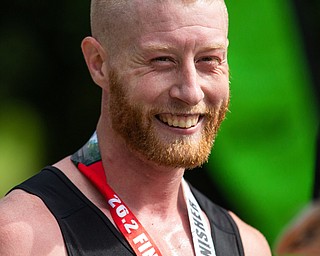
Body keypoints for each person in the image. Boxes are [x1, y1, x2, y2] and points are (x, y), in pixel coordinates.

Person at [0, 0, 271, 255]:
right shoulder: (24, 238)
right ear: (98, 63)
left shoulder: (249, 245)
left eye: (209, 59)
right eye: (162, 60)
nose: (191, 92)